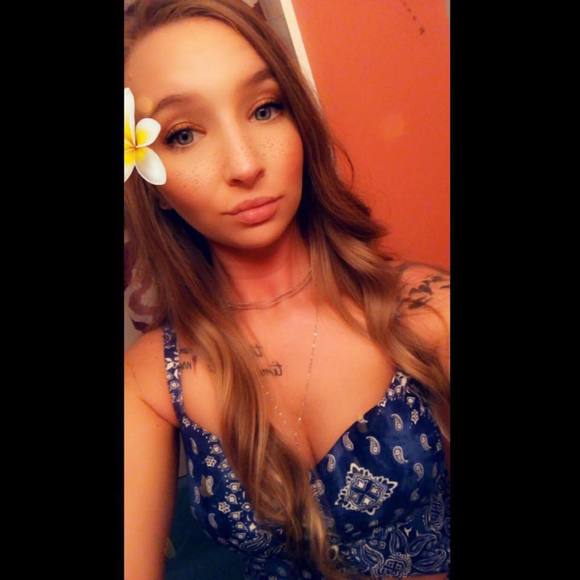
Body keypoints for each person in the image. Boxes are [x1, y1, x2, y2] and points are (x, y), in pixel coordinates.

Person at [123, 1, 450, 579]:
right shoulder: (149, 382)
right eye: (183, 134)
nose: (245, 164)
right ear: (153, 187)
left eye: (265, 108)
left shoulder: (428, 312)